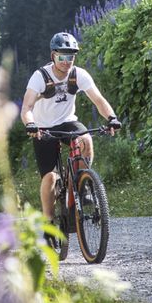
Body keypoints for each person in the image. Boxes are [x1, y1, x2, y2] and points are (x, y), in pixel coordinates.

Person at [20, 31, 122, 227]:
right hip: (42, 127)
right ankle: (48, 221)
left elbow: (99, 100)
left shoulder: (78, 75)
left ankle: (82, 187)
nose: (67, 62)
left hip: (67, 121)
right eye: (62, 57)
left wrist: (112, 118)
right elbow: (26, 108)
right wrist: (30, 124)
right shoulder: (40, 77)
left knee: (85, 140)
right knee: (49, 177)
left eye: (71, 57)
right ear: (53, 56)